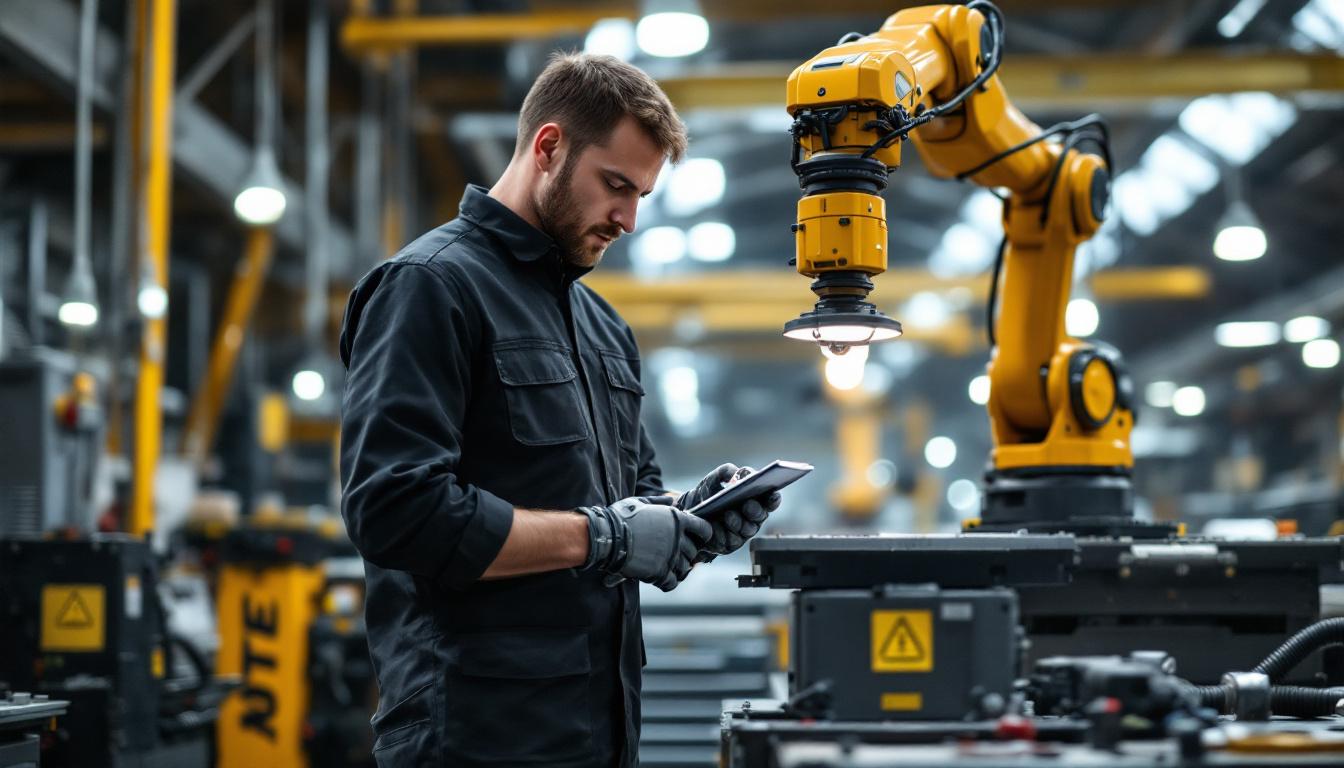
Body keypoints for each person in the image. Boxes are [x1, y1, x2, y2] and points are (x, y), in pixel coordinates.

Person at [338, 53, 781, 768]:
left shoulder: (604, 327)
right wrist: (604, 537)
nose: (628, 219)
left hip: (599, 731)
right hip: (473, 738)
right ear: (548, 148)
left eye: (641, 195)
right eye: (616, 186)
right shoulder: (429, 287)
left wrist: (689, 517)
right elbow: (396, 510)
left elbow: (627, 500)